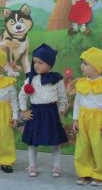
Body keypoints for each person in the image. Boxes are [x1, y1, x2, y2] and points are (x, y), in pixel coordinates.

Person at [19, 43, 68, 178]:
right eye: (35, 62)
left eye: (40, 63)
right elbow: (22, 95)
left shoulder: (56, 79)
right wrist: (24, 110)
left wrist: (62, 109)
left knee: (54, 141)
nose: (36, 65)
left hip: (51, 113)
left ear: (50, 65)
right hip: (35, 112)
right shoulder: (30, 79)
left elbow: (62, 96)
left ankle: (56, 166)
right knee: (32, 142)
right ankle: (32, 165)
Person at [72, 47, 102, 186]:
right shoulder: (81, 83)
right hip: (83, 117)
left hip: (98, 119)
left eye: (86, 64)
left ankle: (100, 174)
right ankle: (84, 173)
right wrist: (75, 119)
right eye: (82, 63)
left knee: (99, 147)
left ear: (96, 67)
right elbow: (77, 102)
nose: (82, 66)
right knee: (82, 147)